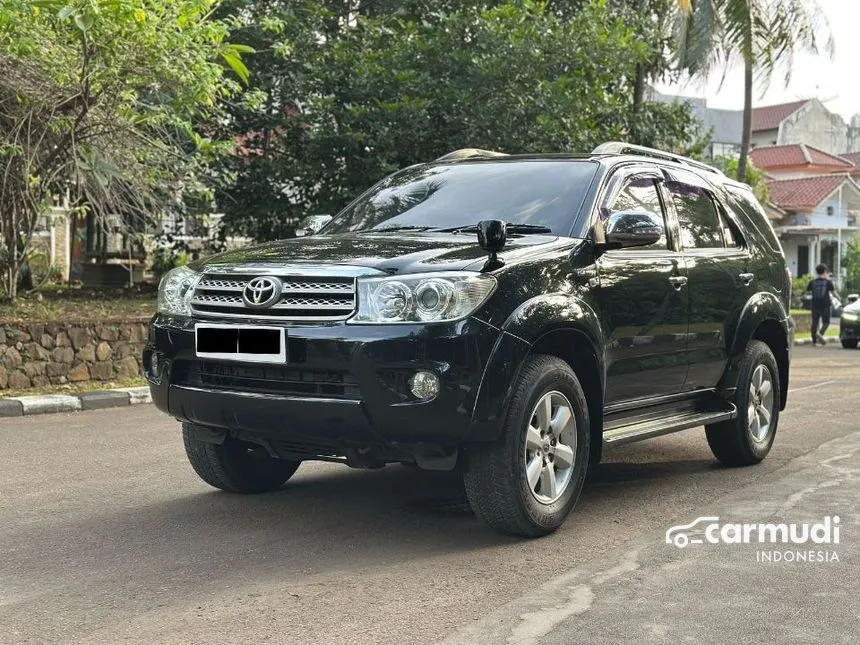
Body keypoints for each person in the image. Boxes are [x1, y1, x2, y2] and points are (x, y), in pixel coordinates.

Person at [806, 264, 840, 345]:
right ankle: (820, 334)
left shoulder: (812, 282)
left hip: (815, 304)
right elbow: (834, 292)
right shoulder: (828, 282)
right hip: (825, 305)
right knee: (826, 322)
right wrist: (839, 298)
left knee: (815, 322)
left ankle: (814, 341)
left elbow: (807, 291)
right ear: (825, 271)